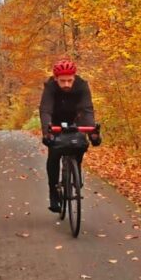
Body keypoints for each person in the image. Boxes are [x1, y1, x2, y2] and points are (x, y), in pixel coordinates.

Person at [39, 58, 102, 212]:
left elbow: (87, 109)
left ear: (74, 77)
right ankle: (53, 192)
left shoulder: (81, 85)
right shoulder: (50, 87)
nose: (66, 84)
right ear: (56, 79)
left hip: (76, 118)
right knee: (54, 154)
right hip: (55, 119)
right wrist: (47, 132)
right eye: (62, 81)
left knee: (78, 144)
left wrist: (92, 131)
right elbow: (45, 110)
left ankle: (76, 169)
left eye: (69, 80)